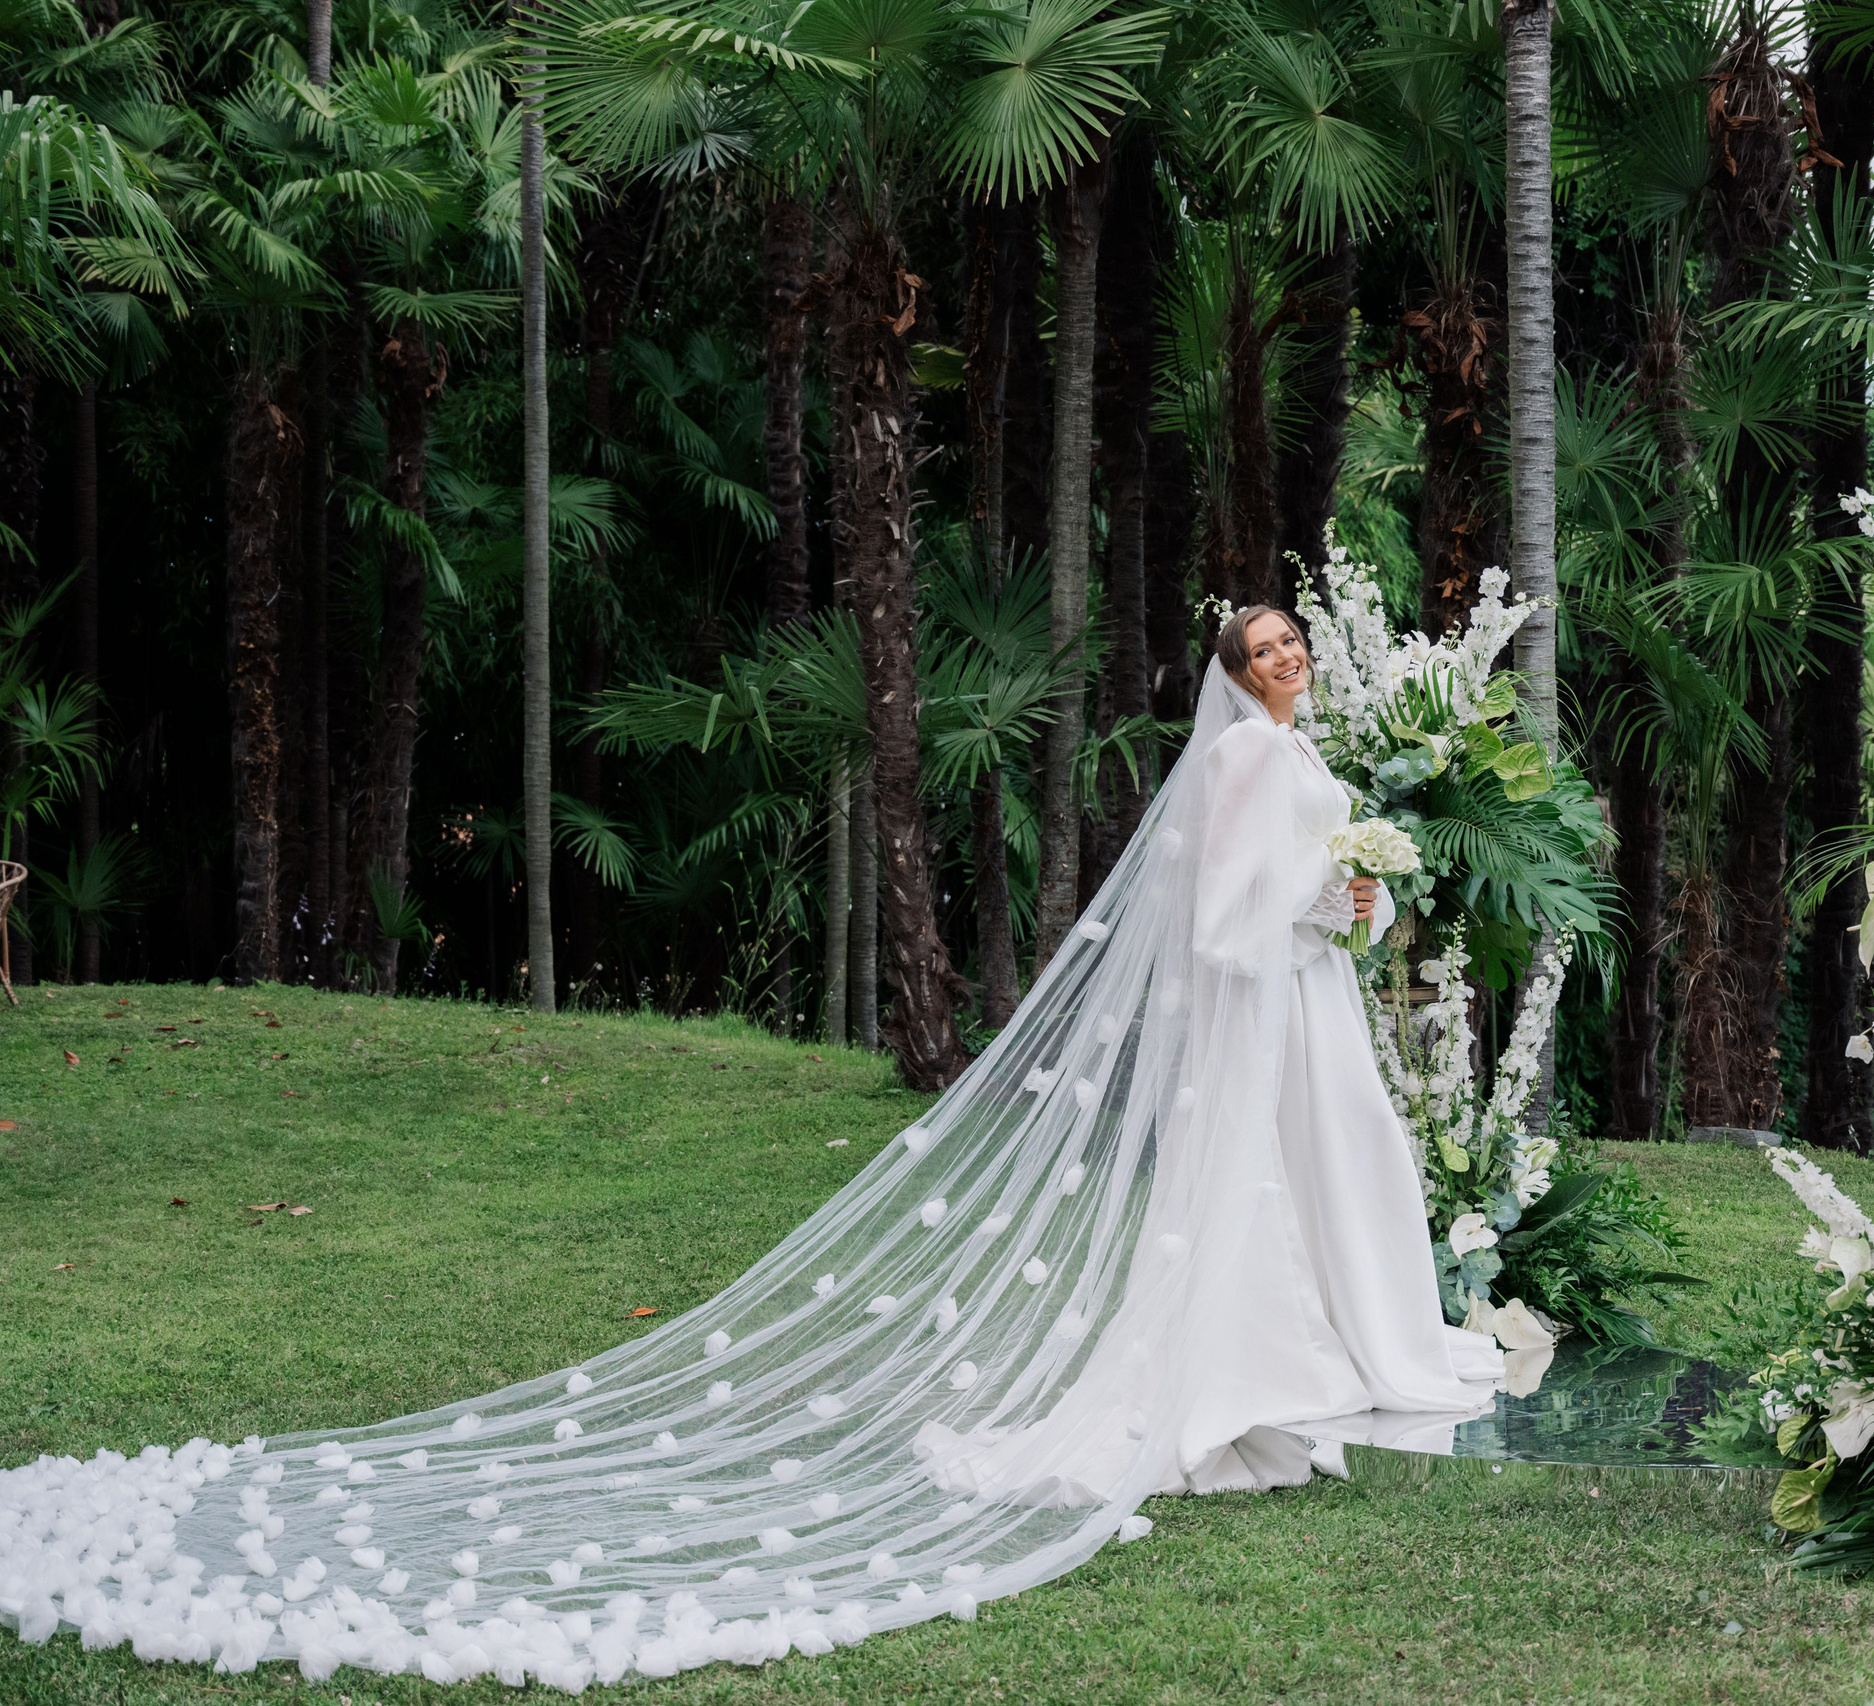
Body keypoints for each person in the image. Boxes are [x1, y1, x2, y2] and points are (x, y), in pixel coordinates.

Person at [0, 609, 1497, 1689]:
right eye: (1266, 651)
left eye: (1295, 641)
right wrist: (1334, 900)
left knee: (1329, 1162)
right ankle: (1290, 1359)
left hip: (1309, 1010)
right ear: (1233, 681)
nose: (1288, 659)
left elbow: (1283, 902)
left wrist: (1353, 899)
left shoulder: (1294, 760)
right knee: (1268, 1185)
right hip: (1274, 1003)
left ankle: (1355, 1341)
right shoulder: (1244, 769)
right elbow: (1232, 919)